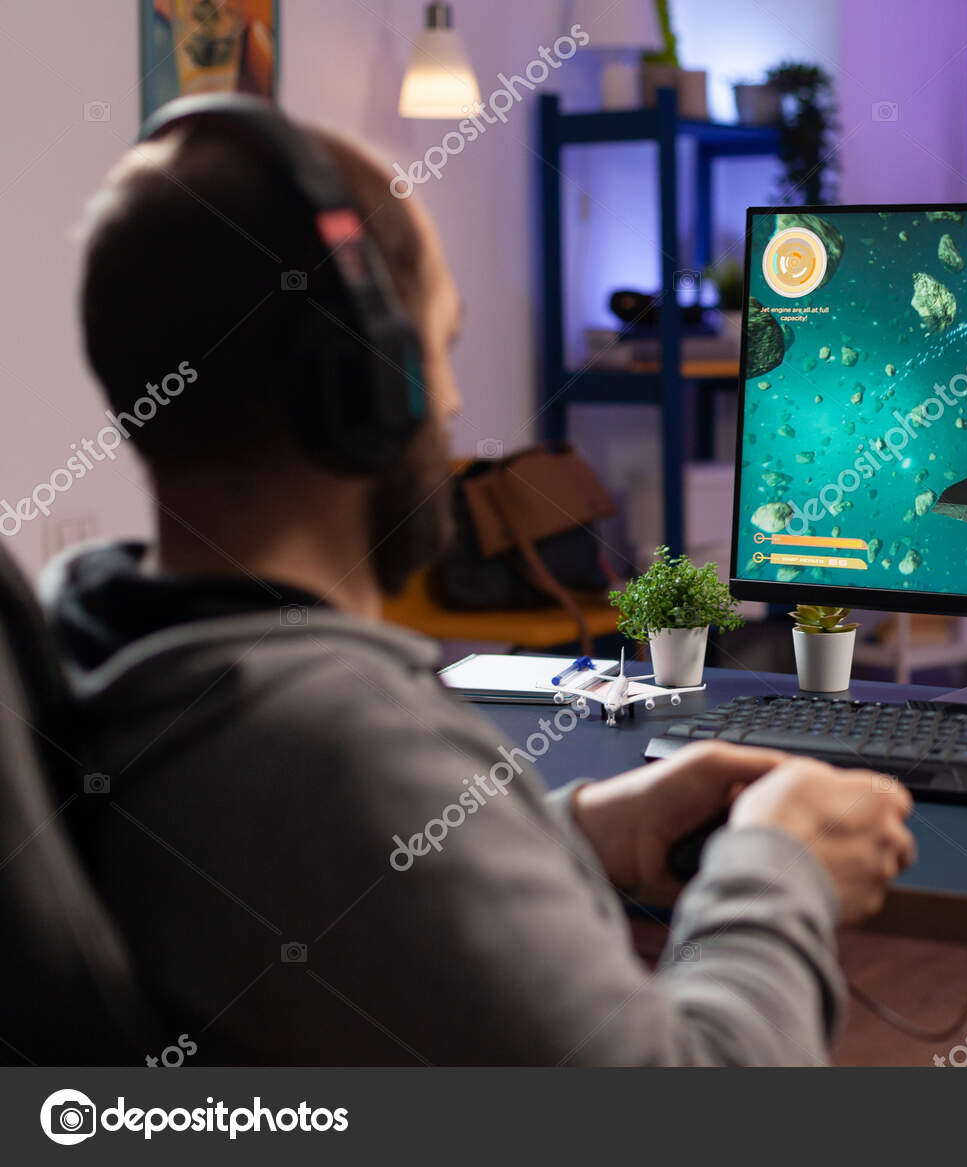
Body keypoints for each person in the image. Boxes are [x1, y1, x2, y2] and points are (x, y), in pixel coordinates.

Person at [42, 102, 914, 1065]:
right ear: (369, 388)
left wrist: (577, 835)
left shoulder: (93, 654)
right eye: (443, 350)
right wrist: (775, 865)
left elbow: (320, 882)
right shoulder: (334, 740)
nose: (455, 402)